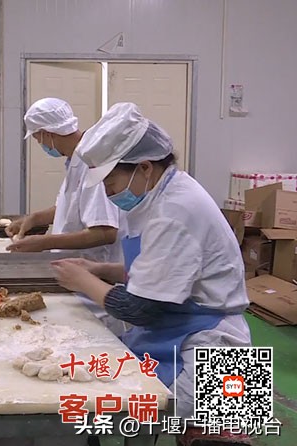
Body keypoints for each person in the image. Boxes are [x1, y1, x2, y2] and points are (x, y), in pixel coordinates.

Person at [51, 103, 252, 424]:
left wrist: (84, 282)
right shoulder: (156, 195)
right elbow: (160, 270)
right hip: (176, 332)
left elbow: (141, 309)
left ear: (144, 167)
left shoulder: (175, 210)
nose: (107, 191)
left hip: (209, 353)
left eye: (110, 181)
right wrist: (100, 270)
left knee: (92, 408)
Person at [6, 98, 127, 336]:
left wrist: (44, 242)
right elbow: (71, 206)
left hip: (92, 287)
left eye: (38, 138)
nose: (40, 144)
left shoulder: (91, 164)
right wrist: (35, 218)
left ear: (47, 133)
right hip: (75, 280)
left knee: (95, 343)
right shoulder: (75, 160)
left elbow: (105, 231)